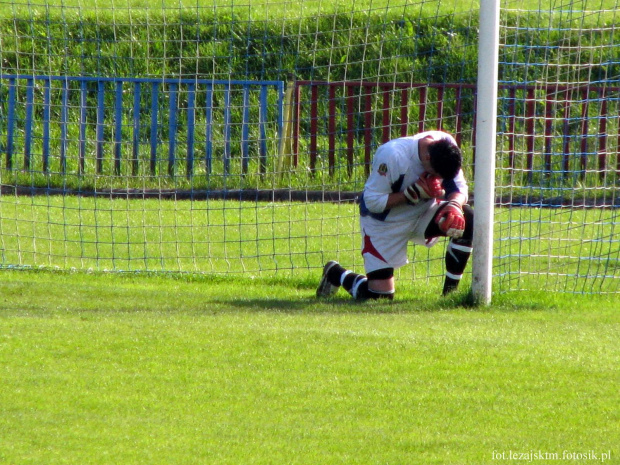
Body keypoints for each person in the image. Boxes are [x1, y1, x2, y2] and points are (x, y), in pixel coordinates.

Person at [316, 130, 474, 300]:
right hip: (384, 224)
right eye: (435, 174)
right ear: (427, 157)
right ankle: (336, 273)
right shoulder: (392, 155)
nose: (436, 179)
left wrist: (454, 205)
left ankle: (449, 296)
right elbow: (372, 202)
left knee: (467, 217)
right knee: (379, 297)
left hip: (423, 214)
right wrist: (411, 194)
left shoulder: (446, 145)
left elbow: (459, 188)